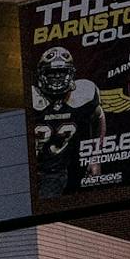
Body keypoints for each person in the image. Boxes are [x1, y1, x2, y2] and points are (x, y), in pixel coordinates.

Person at [30, 48, 106, 199]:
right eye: (51, 73)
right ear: (41, 74)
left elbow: (98, 118)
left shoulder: (83, 94)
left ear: (71, 73)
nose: (57, 77)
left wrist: (95, 156)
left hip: (53, 173)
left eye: (62, 72)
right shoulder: (32, 96)